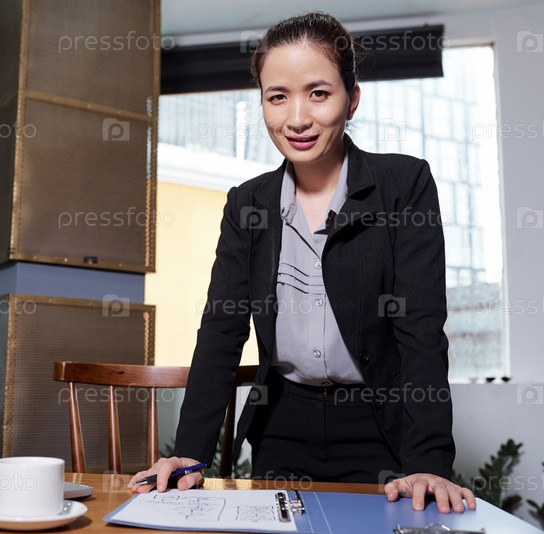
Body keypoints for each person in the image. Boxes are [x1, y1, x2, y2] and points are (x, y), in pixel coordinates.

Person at [129, 12, 476, 513]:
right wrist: (190, 452)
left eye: (318, 93)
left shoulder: (404, 186)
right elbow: (223, 329)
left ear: (351, 98)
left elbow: (421, 331)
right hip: (282, 425)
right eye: (277, 97)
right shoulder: (247, 203)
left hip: (381, 427)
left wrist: (428, 461)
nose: (296, 119)